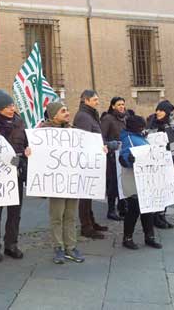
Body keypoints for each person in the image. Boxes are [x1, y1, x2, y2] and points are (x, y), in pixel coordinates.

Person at [0, 90, 30, 262]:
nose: (12, 109)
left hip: (16, 173)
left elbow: (27, 143)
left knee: (15, 212)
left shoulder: (20, 122)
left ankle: (11, 244)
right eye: (7, 107)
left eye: (12, 105)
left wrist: (27, 151)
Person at [41, 101, 86, 264]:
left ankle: (71, 247)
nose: (67, 113)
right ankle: (58, 247)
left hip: (71, 181)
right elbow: (37, 152)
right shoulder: (42, 132)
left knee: (71, 216)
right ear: (54, 115)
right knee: (57, 216)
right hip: (56, 183)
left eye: (67, 110)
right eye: (63, 111)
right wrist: (30, 150)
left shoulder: (72, 131)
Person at [73, 90, 118, 239]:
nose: (97, 102)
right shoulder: (83, 117)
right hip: (87, 162)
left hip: (93, 159)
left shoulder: (90, 115)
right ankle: (86, 227)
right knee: (85, 196)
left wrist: (105, 145)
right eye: (94, 99)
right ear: (86, 100)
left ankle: (91, 222)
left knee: (89, 194)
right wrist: (104, 145)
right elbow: (85, 140)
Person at [118, 114, 162, 250]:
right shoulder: (128, 139)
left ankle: (149, 236)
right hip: (133, 179)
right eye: (141, 126)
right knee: (134, 209)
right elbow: (123, 158)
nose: (143, 128)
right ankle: (127, 238)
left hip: (144, 178)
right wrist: (128, 160)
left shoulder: (138, 137)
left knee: (147, 209)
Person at [146, 100, 174, 229]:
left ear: (167, 112)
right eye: (157, 109)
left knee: (167, 192)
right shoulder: (150, 126)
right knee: (156, 190)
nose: (158, 112)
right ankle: (154, 216)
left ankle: (162, 215)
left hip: (171, 164)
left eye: (161, 110)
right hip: (155, 165)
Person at [100, 97, 127, 221]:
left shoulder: (125, 118)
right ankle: (111, 210)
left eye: (123, 104)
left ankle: (122, 208)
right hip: (111, 156)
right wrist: (111, 144)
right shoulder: (107, 119)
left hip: (123, 155)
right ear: (113, 106)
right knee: (113, 184)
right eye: (119, 104)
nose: (122, 106)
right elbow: (101, 138)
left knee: (123, 182)